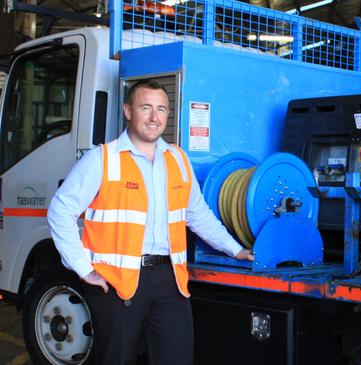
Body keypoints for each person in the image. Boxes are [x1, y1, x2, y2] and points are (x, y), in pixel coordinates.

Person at [47, 79, 254, 365]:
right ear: (128, 111)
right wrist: (82, 268)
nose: (155, 117)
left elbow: (197, 214)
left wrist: (235, 249)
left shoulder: (178, 159)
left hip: (170, 280)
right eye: (146, 108)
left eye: (161, 109)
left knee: (177, 358)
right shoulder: (103, 159)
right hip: (116, 282)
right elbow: (60, 210)